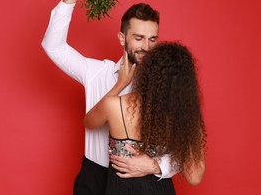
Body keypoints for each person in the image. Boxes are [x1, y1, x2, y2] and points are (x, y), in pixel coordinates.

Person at [42, 0, 177, 195]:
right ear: (122, 38)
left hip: (143, 180)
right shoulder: (97, 72)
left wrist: (158, 165)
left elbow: (185, 142)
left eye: (153, 39)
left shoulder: (168, 83)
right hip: (94, 178)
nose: (147, 47)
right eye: (139, 38)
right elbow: (53, 46)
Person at [84, 42, 207, 194]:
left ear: (147, 73)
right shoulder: (183, 118)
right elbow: (194, 176)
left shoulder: (114, 106)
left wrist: (120, 84)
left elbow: (89, 122)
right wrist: (157, 165)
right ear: (185, 84)